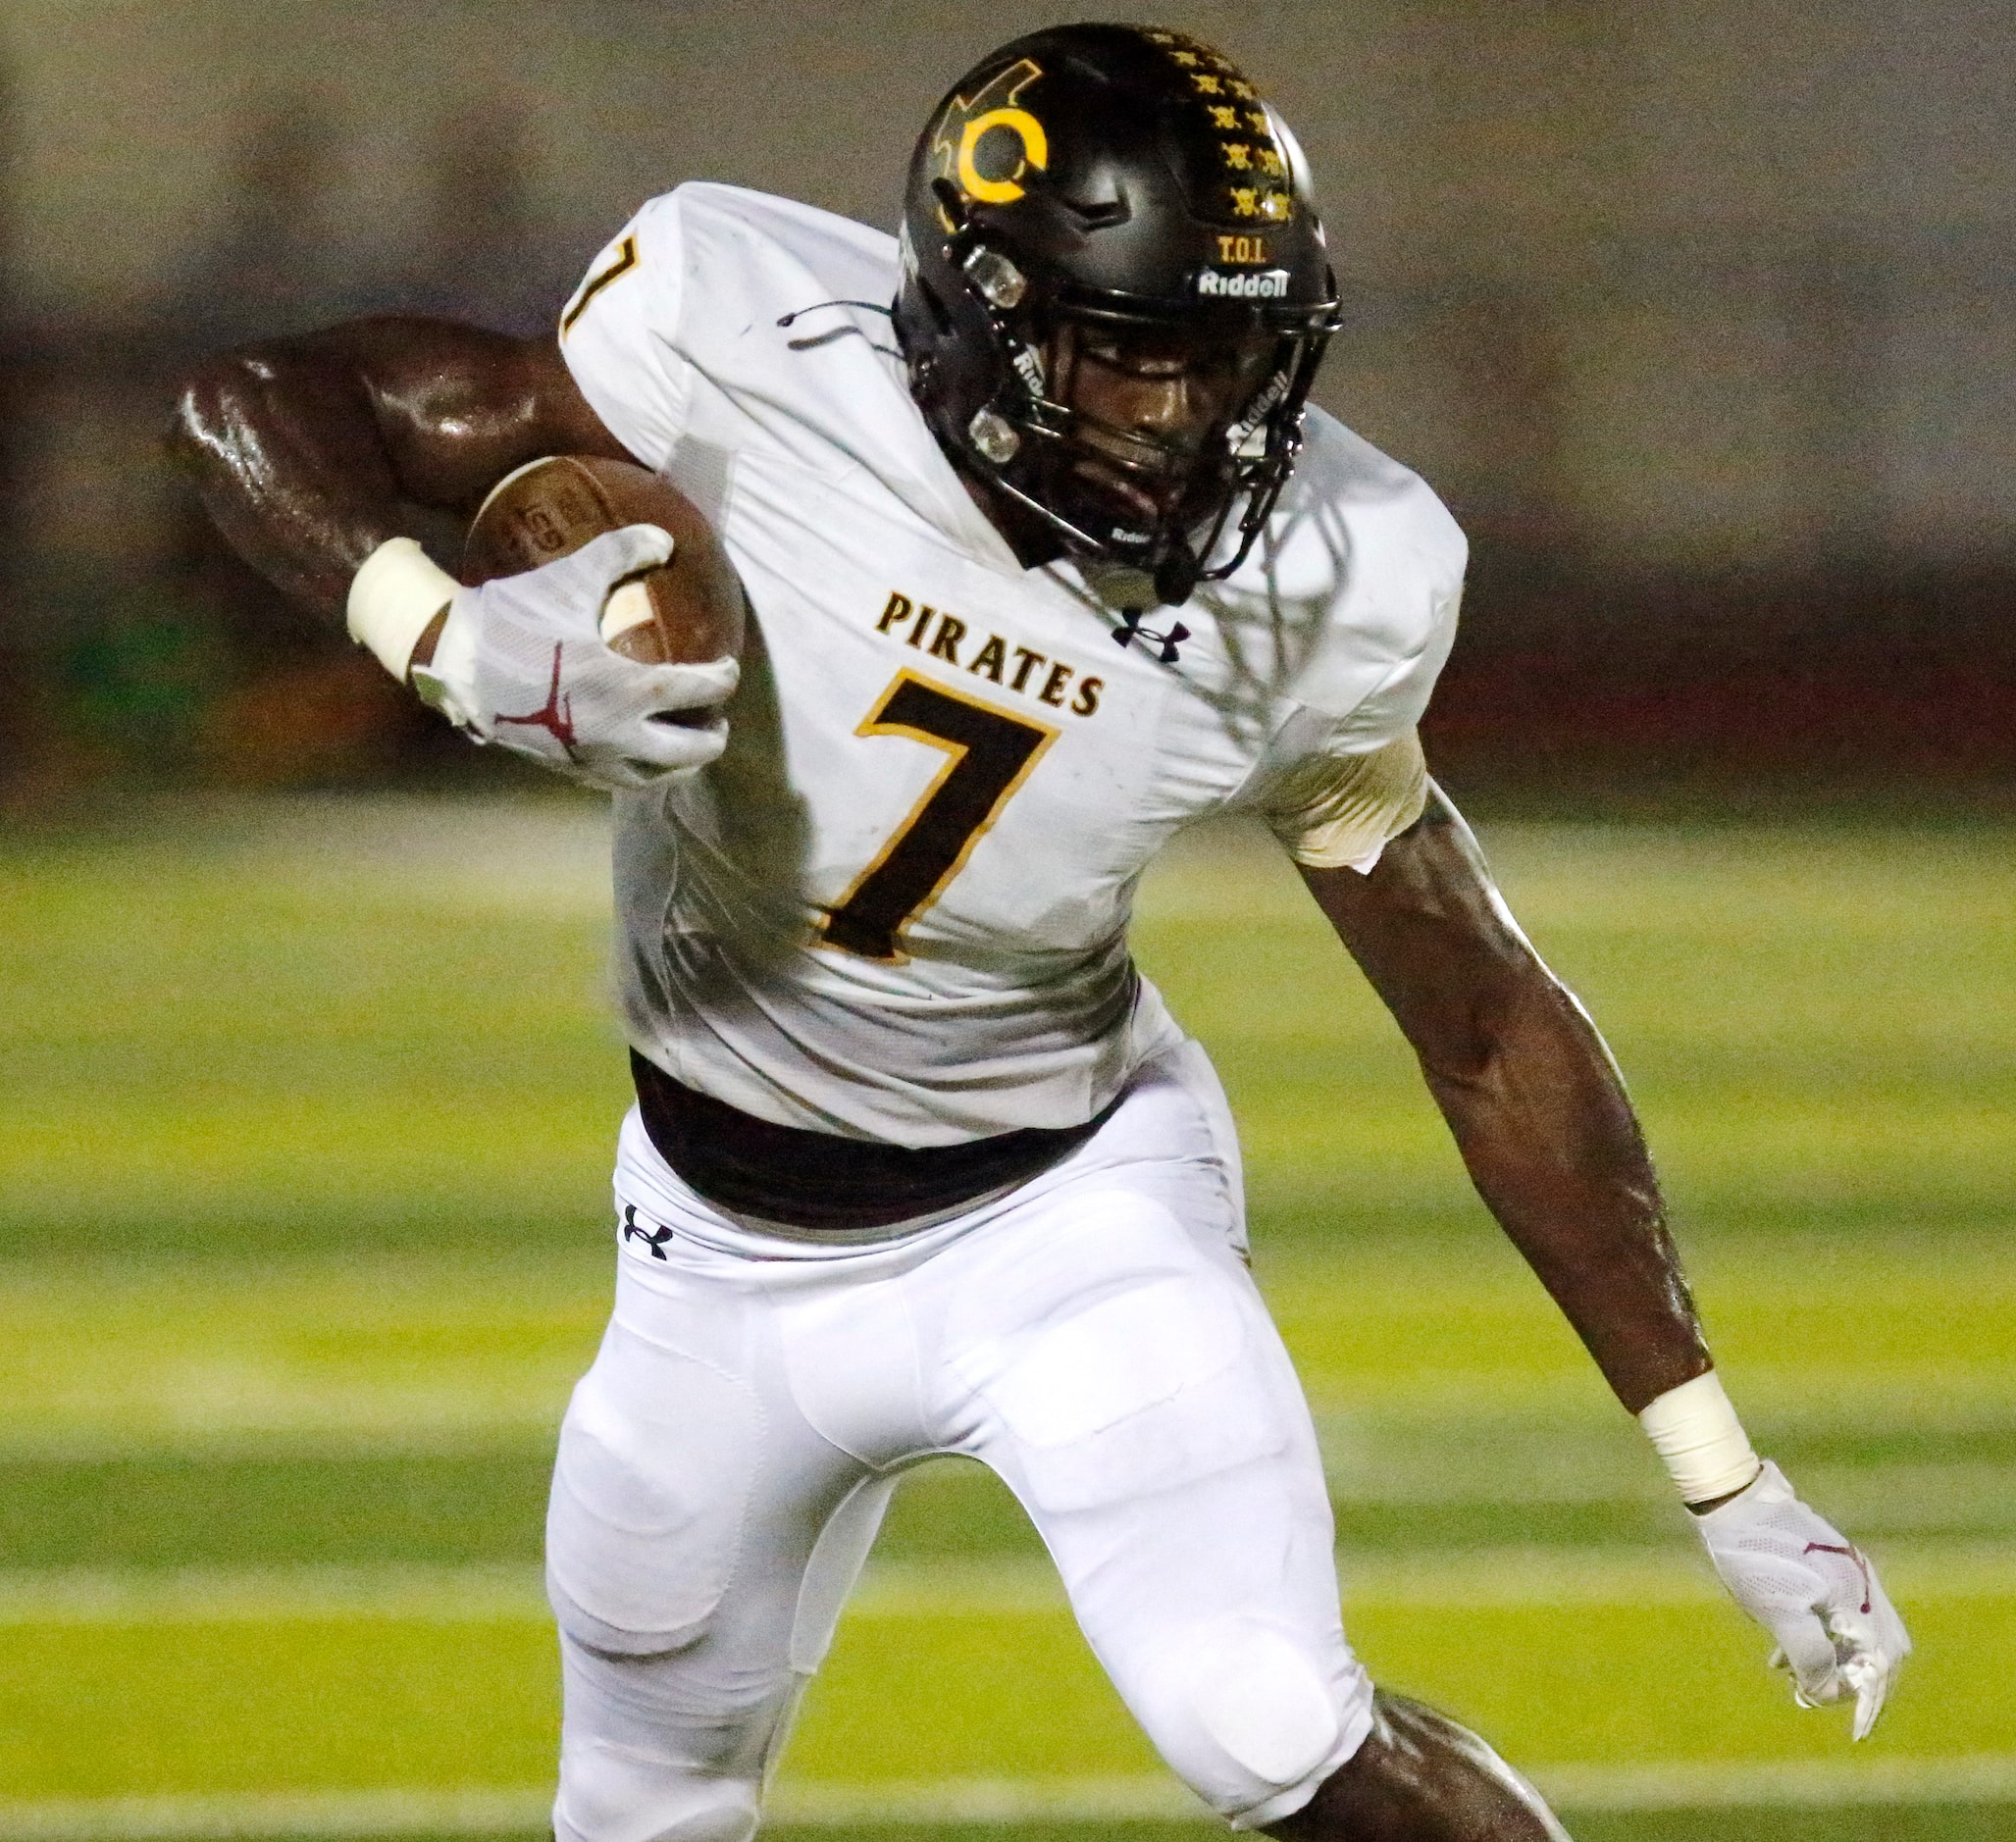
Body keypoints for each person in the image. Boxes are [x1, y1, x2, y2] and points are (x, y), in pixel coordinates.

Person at [171, 23, 1908, 1842]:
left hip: (1063, 1215)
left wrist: (1723, 1474)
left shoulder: (1336, 571)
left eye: (1237, 358)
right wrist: (440, 634)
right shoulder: (737, 333)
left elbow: (1478, 1014)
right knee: (636, 1808)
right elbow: (254, 399)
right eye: (1136, 356)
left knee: (1264, 1724)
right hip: (708, 1248)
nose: (1193, 420)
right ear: (982, 314)